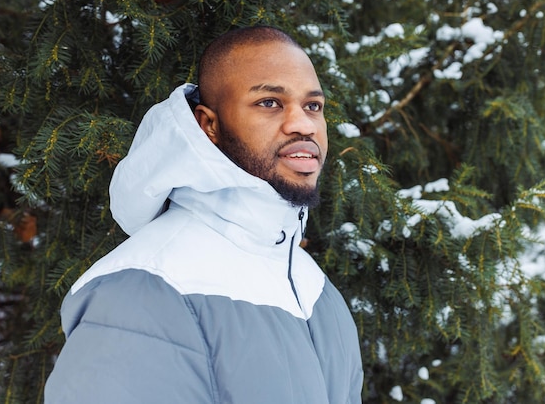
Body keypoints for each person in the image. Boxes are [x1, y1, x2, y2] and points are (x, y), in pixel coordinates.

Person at [44, 26, 363, 403]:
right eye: (270, 103)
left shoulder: (315, 288)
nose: (304, 124)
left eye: (313, 106)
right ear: (208, 124)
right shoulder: (144, 293)